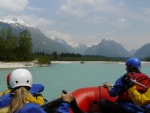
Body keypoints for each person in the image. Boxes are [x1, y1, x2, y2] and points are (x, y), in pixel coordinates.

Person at [0, 68, 73, 113]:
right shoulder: (32, 108)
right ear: (30, 85)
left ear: (10, 84)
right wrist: (66, 103)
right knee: (56, 110)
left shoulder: (2, 99)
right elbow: (41, 87)